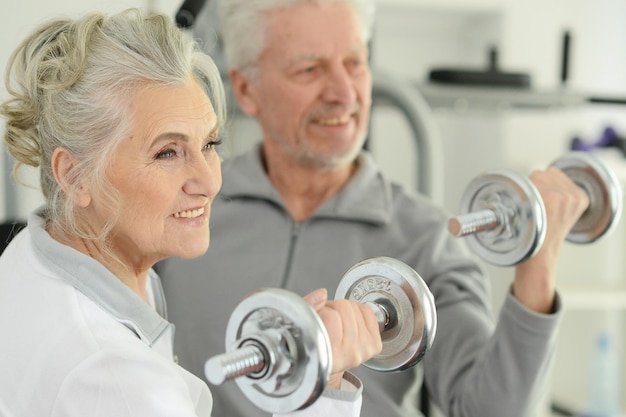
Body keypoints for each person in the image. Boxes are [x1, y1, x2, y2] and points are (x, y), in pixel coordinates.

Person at [156, 1, 592, 417]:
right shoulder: (186, 208)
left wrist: (538, 263)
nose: (344, 93)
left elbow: (490, 411)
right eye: (310, 69)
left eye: (355, 62)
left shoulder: (424, 236)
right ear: (248, 90)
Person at [0, 8, 384, 417]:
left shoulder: (31, 253)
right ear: (75, 175)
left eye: (209, 145)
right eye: (167, 152)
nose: (209, 182)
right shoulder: (119, 381)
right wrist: (322, 391)